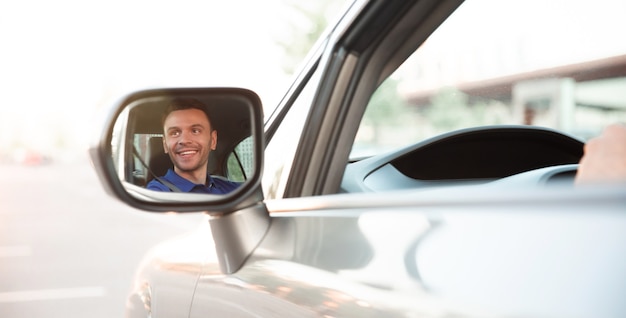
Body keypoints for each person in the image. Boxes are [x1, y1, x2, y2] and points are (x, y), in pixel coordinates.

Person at [146, 97, 241, 194]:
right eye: (175, 133)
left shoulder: (233, 190)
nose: (184, 140)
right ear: (165, 144)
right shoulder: (157, 192)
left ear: (213, 140)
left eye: (195, 131)